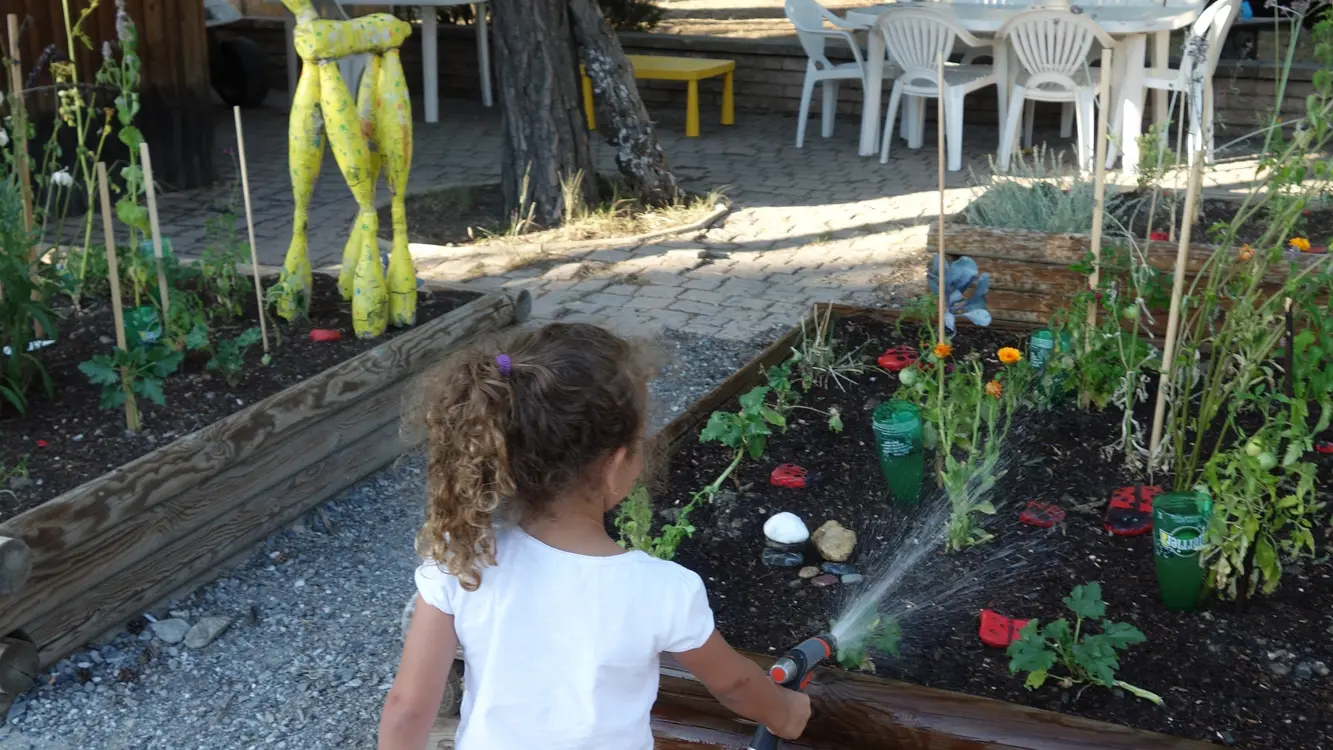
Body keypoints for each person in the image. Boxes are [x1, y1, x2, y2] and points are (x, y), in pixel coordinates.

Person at [378, 322, 811, 750]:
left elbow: (407, 710)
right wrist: (786, 714)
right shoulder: (662, 589)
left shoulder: (464, 558)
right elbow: (735, 684)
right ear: (614, 464)